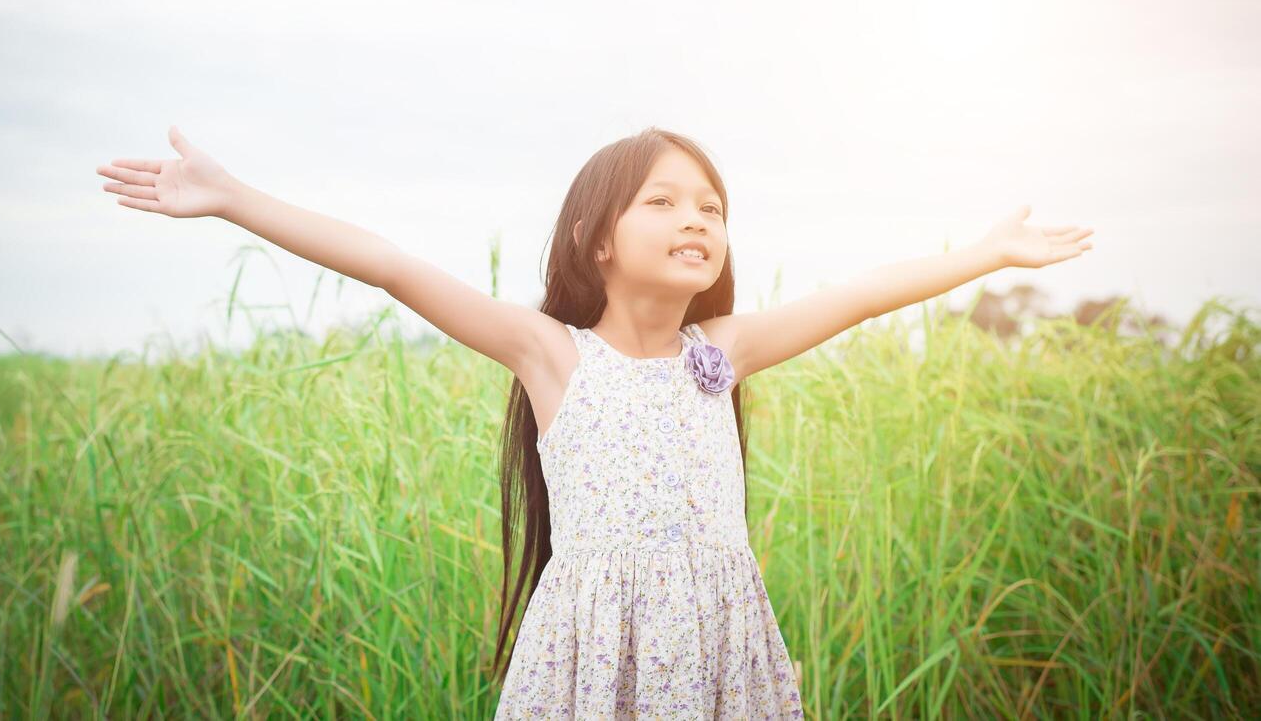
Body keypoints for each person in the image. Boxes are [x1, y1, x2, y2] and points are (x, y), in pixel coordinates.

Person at [96, 124, 1094, 719]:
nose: (697, 218)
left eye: (711, 204)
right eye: (664, 200)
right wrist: (230, 198)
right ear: (594, 237)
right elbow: (391, 263)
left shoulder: (725, 351)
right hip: (589, 659)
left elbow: (862, 294)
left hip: (716, 650)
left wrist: (983, 252)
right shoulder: (552, 354)